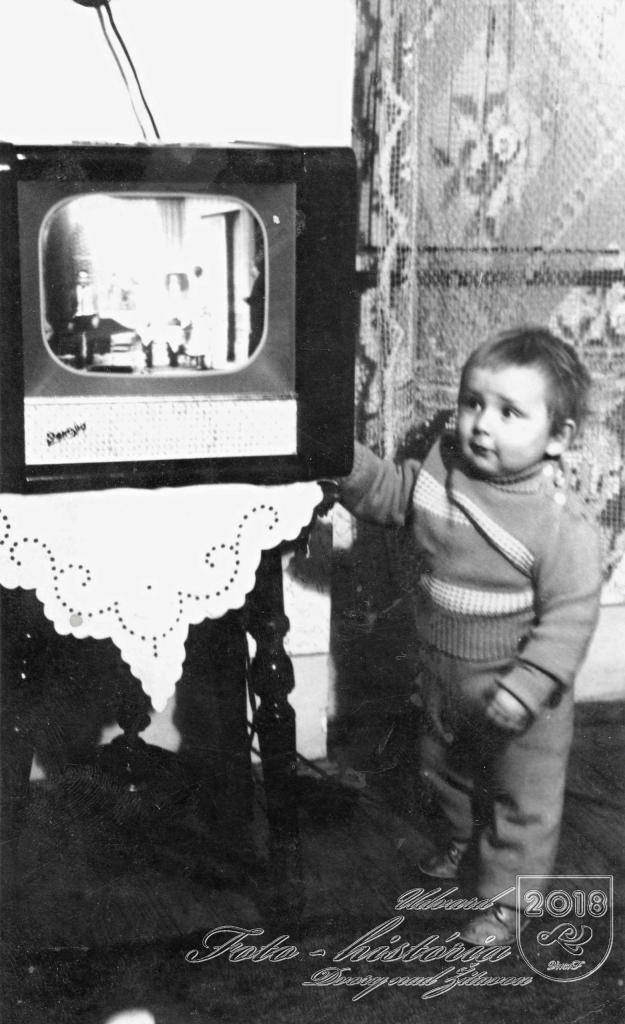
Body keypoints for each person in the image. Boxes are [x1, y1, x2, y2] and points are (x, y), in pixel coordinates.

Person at [336, 326, 602, 945]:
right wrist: (341, 462)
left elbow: (569, 618)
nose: (482, 425)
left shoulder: (558, 527)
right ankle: (463, 843)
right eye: (473, 402)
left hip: (519, 693)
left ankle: (509, 902)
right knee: (443, 773)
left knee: (522, 801)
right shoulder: (444, 465)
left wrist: (527, 687)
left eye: (510, 413)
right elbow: (392, 494)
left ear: (558, 438)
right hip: (443, 674)